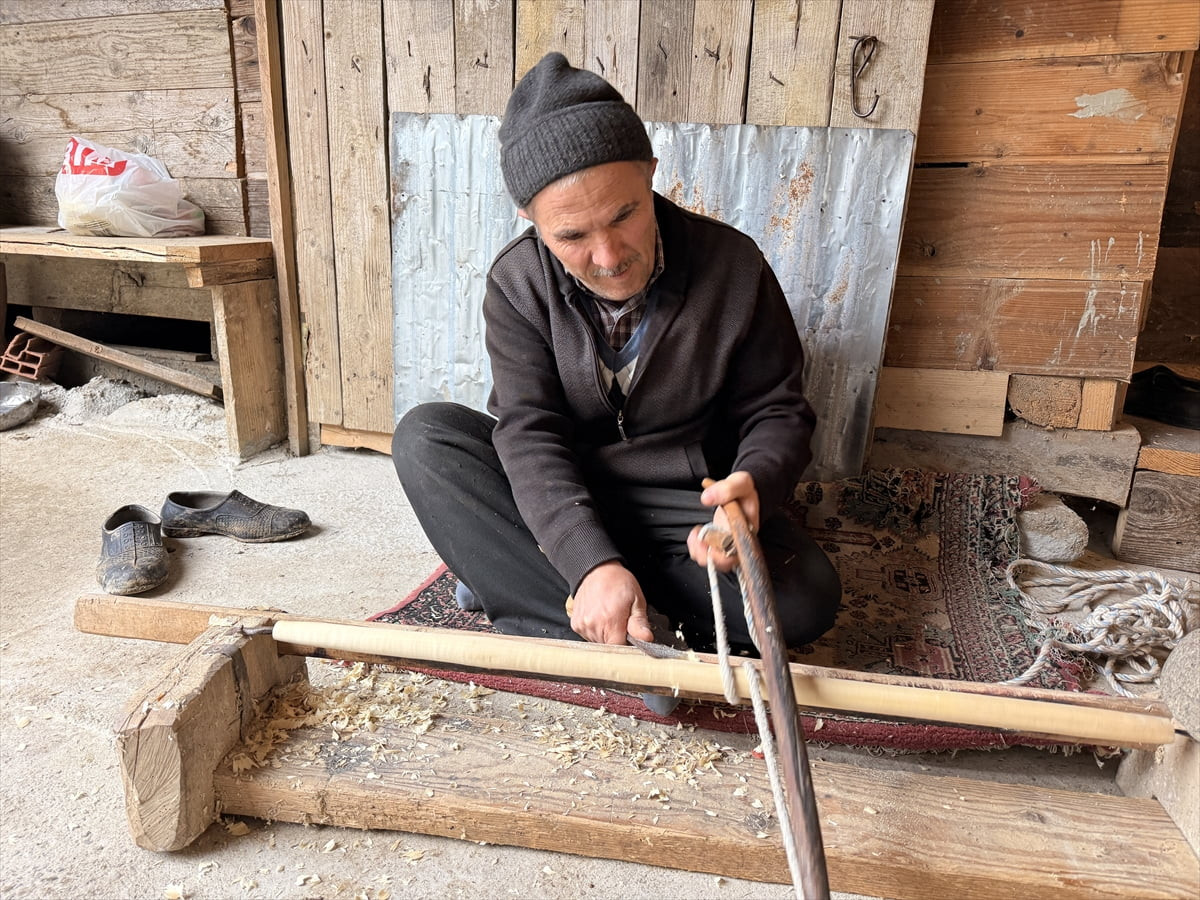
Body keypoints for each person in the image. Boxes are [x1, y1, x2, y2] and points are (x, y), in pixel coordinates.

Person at [392, 53, 841, 706]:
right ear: (531, 221)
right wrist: (590, 560)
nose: (607, 257)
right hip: (566, 494)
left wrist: (756, 486)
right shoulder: (517, 285)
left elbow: (777, 411)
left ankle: (541, 597)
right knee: (426, 438)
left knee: (804, 602)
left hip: (680, 507)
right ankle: (617, 626)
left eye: (624, 216)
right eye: (572, 235)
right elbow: (530, 430)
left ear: (651, 174)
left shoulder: (733, 267)